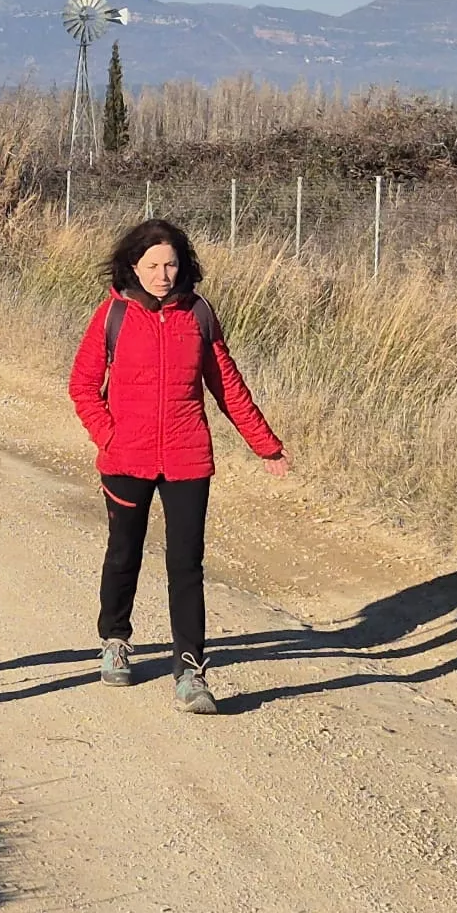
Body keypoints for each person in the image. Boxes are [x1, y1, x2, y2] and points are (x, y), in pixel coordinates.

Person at [66, 219, 289, 712]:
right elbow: (83, 386)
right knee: (123, 552)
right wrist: (110, 435)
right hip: (126, 459)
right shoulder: (112, 316)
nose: (163, 275)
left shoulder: (200, 314)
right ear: (133, 267)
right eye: (152, 266)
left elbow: (227, 386)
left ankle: (190, 670)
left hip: (188, 458)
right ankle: (115, 642)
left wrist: (265, 445)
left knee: (186, 564)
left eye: (171, 264)